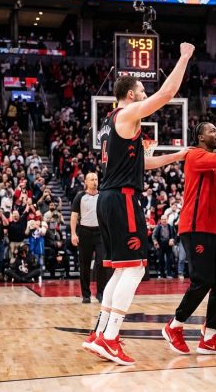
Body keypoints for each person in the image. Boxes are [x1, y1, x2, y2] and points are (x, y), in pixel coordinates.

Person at [86, 43, 194, 366]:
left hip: (109, 196)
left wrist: (176, 156)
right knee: (135, 269)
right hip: (122, 198)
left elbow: (140, 164)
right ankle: (110, 338)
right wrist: (184, 57)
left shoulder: (109, 122)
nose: (145, 93)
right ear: (131, 95)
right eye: (141, 89)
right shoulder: (128, 113)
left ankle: (100, 333)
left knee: (122, 270)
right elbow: (166, 94)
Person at [162, 121, 216, 356]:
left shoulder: (215, 165)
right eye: (212, 131)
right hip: (196, 227)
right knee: (203, 280)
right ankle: (174, 325)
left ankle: (210, 337)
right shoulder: (195, 155)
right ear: (199, 137)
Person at [72, 172, 111, 303]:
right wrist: (73, 233)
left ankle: (100, 293)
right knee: (84, 264)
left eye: (96, 179)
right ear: (86, 182)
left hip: (100, 233)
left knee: (101, 263)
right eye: (92, 179)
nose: (94, 182)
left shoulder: (103, 196)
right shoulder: (80, 197)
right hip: (84, 232)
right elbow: (74, 216)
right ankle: (86, 294)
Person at [152, 214, 177, 279]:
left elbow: (175, 236)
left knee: (170, 259)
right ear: (160, 220)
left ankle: (169, 274)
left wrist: (173, 240)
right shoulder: (158, 227)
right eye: (163, 219)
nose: (164, 221)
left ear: (167, 220)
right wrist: (155, 242)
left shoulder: (170, 227)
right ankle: (162, 274)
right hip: (160, 244)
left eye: (165, 219)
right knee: (161, 260)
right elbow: (154, 236)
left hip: (169, 244)